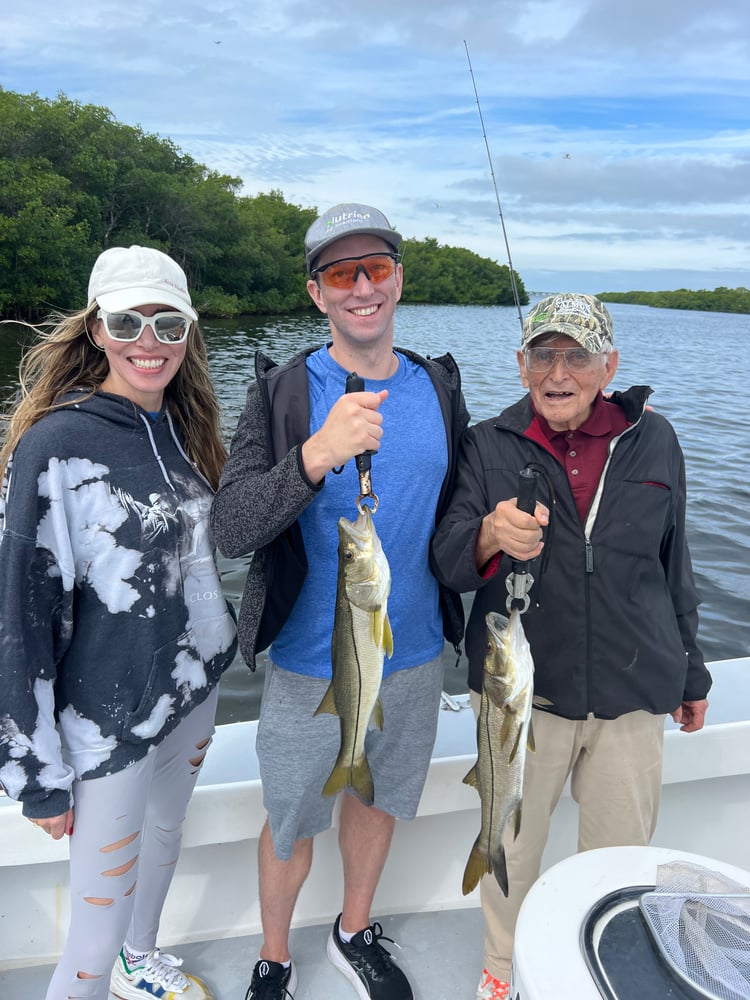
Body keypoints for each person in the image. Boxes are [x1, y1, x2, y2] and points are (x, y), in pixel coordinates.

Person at [210, 203, 469, 1000]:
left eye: (376, 269)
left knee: (380, 798)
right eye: (339, 274)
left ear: (398, 279)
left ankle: (355, 931)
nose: (361, 287)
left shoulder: (439, 384)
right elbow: (231, 527)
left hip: (418, 652)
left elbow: (459, 507)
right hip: (302, 660)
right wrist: (316, 454)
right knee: (289, 817)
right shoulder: (282, 393)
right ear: (316, 293)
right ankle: (276, 955)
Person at [431, 293, 711, 1000]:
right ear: (521, 364)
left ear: (608, 364)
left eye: (577, 355)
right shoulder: (487, 442)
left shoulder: (656, 439)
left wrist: (692, 671)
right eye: (543, 355)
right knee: (511, 849)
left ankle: (601, 969)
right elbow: (448, 561)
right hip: (520, 695)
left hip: (635, 688)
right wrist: (491, 534)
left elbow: (675, 562)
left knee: (618, 859)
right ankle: (502, 967)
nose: (559, 372)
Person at [0, 245, 238, 1000]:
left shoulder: (181, 427)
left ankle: (145, 961)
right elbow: (19, 619)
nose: (150, 341)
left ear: (189, 332)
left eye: (169, 324)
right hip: (105, 725)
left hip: (191, 695)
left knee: (165, 841)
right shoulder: (55, 446)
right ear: (98, 328)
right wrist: (36, 776)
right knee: (90, 938)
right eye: (129, 321)